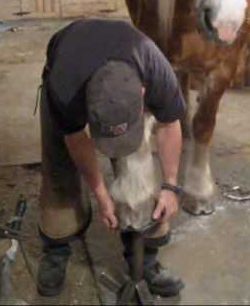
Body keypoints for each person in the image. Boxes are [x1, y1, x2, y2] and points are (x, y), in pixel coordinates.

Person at [37, 18, 187, 298]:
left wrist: (170, 186)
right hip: (68, 61)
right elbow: (75, 138)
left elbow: (169, 125)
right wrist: (101, 193)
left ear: (143, 93)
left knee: (139, 168)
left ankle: (145, 258)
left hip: (127, 62)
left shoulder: (156, 71)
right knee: (59, 168)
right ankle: (56, 248)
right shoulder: (64, 87)